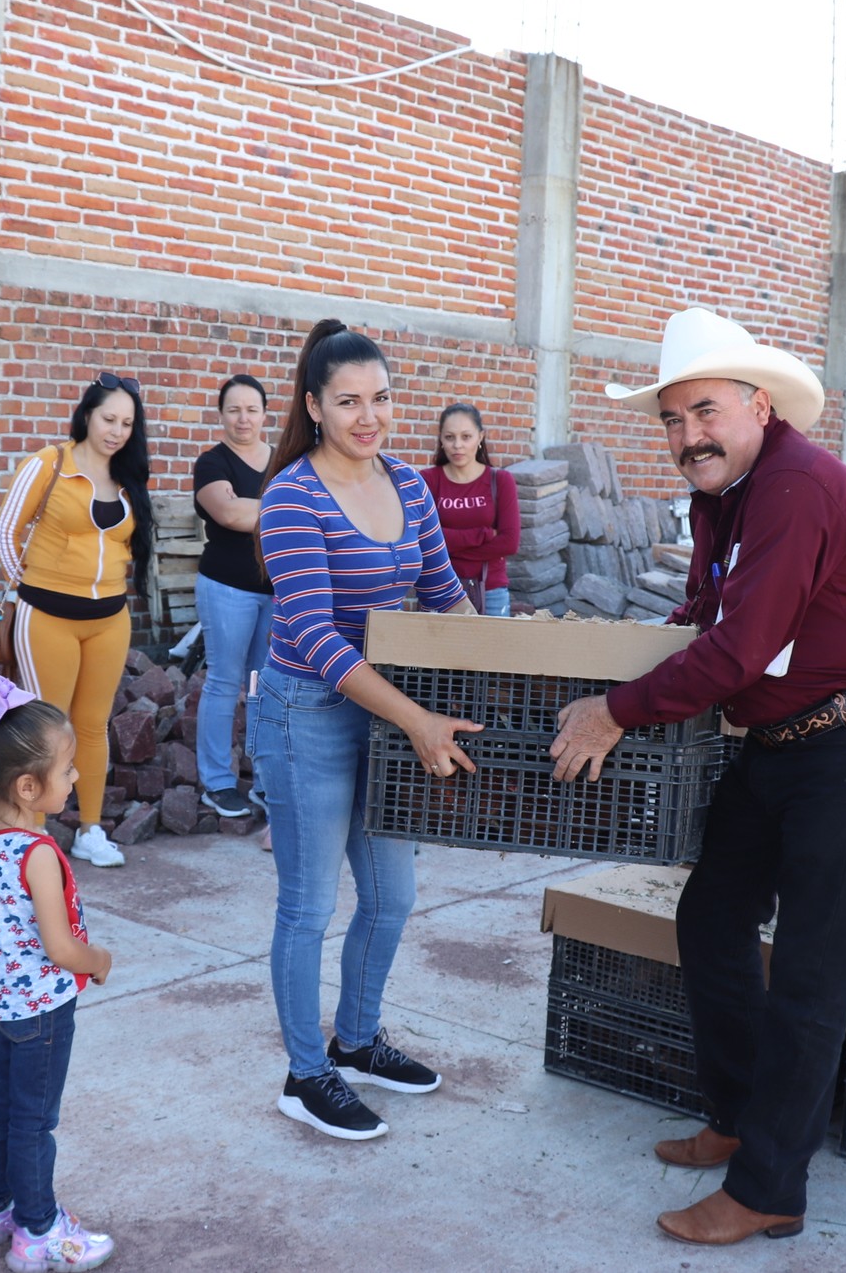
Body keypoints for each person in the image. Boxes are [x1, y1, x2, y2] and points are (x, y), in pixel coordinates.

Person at [547, 307, 846, 1248]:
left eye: (704, 413)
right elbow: (715, 609)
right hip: (784, 740)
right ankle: (741, 1115)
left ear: (759, 405)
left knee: (809, 968)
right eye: (672, 421)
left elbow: (742, 649)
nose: (687, 437)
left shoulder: (796, 485)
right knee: (712, 917)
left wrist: (615, 707)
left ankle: (771, 1185)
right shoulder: (730, 492)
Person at [251, 318, 481, 1142]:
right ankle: (305, 1074)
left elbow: (448, 594)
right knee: (308, 905)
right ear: (314, 406)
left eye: (381, 398)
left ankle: (356, 1039)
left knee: (391, 897)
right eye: (348, 401)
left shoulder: (412, 488)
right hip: (305, 713)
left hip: (382, 720)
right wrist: (418, 718)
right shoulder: (291, 497)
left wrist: (513, 655)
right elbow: (315, 635)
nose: (368, 416)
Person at [0, 674, 116, 1273]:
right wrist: (99, 961)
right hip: (41, 1011)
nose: (74, 778)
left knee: (2, 1105)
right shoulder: (38, 854)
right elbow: (61, 949)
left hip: (2, 1006)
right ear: (27, 784)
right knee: (34, 1122)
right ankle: (38, 1233)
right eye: (67, 770)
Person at [0, 374, 154, 868]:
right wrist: (34, 590)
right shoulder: (49, 464)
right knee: (45, 728)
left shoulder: (128, 478)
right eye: (109, 419)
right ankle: (33, 833)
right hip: (48, 618)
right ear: (87, 414)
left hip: (109, 618)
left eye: (127, 423)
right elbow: (5, 533)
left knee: (91, 727)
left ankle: (90, 830)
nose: (117, 431)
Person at [191, 373, 274, 820]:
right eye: (234, 409)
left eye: (252, 409)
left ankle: (264, 781)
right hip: (227, 589)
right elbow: (227, 513)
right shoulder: (212, 463)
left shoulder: (285, 462)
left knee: (264, 687)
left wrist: (254, 509)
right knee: (225, 682)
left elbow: (247, 512)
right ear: (221, 415)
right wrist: (285, 511)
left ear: (265, 414)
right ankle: (218, 783)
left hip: (275, 595)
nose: (244, 418)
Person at [419, 402, 520, 617]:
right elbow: (423, 539)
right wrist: (483, 535)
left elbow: (510, 542)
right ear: (441, 439)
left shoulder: (500, 480)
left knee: (492, 651)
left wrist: (448, 548)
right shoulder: (427, 480)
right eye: (449, 437)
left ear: (480, 437)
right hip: (440, 589)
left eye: (466, 437)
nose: (457, 445)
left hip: (490, 590)